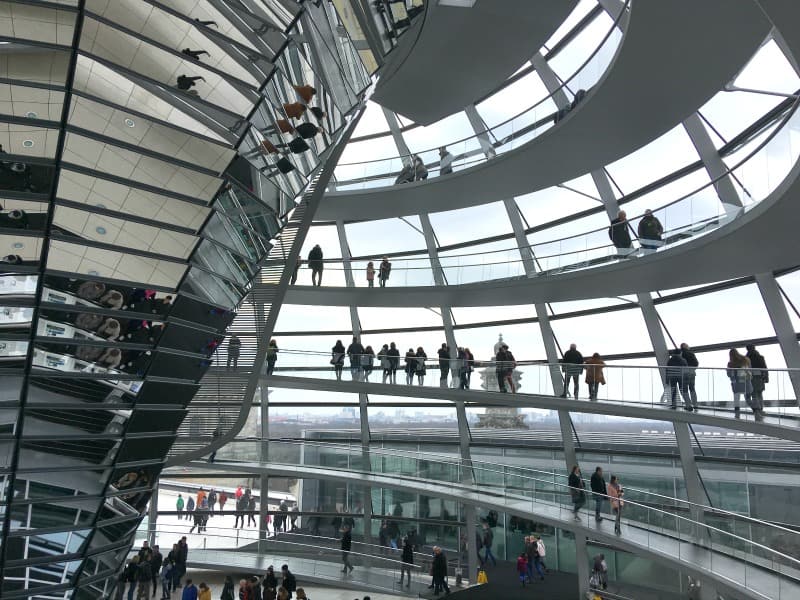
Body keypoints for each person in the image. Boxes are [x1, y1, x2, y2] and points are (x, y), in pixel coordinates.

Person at [727, 348, 752, 418]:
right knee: (748, 399)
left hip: (736, 383)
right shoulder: (745, 360)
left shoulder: (730, 364)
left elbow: (728, 374)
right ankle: (756, 411)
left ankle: (737, 414)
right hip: (746, 382)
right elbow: (749, 370)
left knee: (736, 398)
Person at [746, 344, 768, 421]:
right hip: (760, 378)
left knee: (754, 394)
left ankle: (757, 410)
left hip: (751, 378)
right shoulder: (760, 357)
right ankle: (761, 409)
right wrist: (766, 378)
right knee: (760, 393)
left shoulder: (747, 358)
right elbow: (765, 368)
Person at [680, 342, 700, 409]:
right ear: (685, 347)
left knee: (684, 389)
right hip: (692, 373)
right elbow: (696, 363)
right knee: (692, 389)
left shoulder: (681, 355)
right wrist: (692, 369)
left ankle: (688, 405)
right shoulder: (691, 353)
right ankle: (695, 405)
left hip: (684, 373)